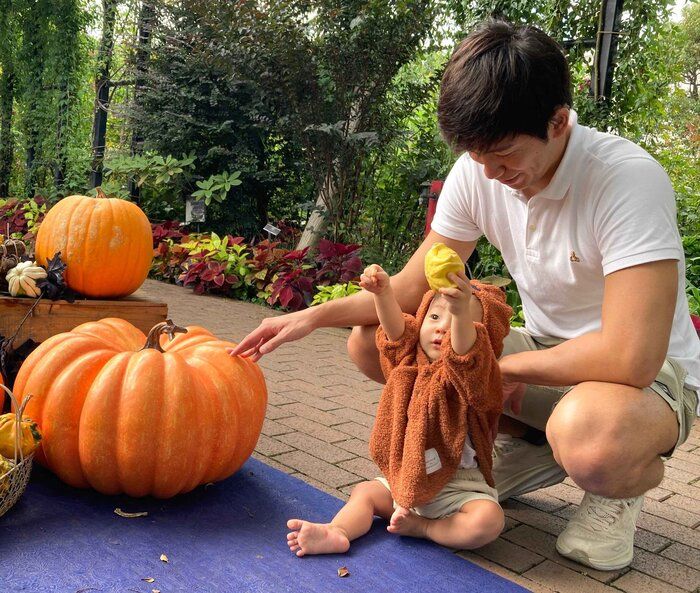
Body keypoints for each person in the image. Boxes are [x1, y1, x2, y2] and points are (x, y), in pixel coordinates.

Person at [230, 20, 700, 571]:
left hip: (646, 382)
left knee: (588, 436)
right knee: (370, 340)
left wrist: (488, 370)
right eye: (477, 155)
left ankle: (612, 484)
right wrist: (310, 317)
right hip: (545, 351)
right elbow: (409, 292)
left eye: (504, 155)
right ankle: (526, 445)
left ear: (558, 121)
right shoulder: (479, 170)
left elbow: (630, 356)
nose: (491, 173)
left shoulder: (626, 179)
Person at [285, 262, 511, 556]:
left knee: (487, 521)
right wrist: (383, 293)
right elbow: (397, 335)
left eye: (459, 318)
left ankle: (425, 528)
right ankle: (337, 531)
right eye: (434, 316)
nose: (441, 326)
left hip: (458, 489)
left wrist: (460, 313)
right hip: (404, 482)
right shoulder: (410, 363)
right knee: (365, 492)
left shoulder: (478, 377)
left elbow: (467, 356)